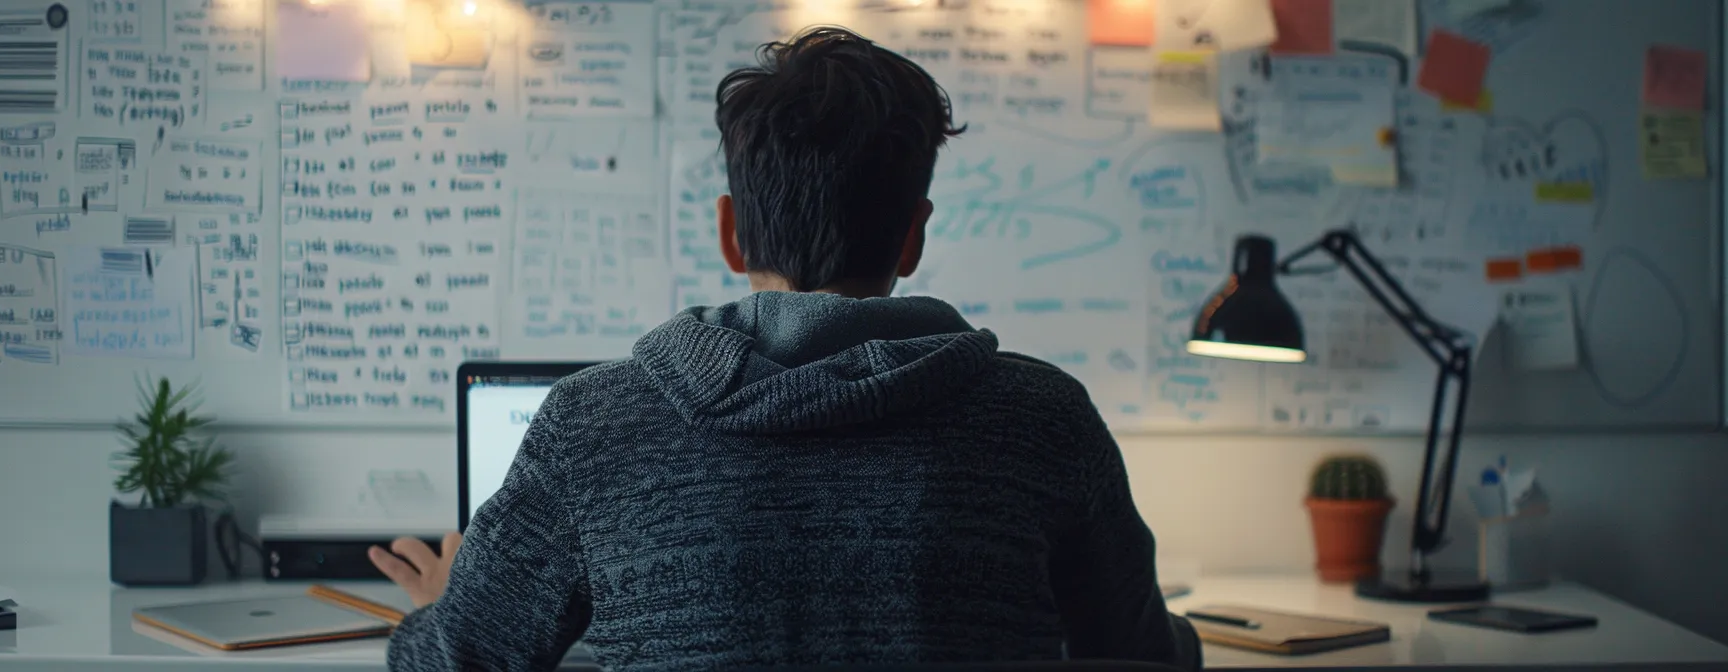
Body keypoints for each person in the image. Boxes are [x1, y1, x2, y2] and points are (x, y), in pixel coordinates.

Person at [370, 25, 1201, 671]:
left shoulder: (591, 426)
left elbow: (458, 661)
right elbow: (1145, 657)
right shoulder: (1043, 421)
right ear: (912, 237)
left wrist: (447, 608)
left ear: (731, 232)